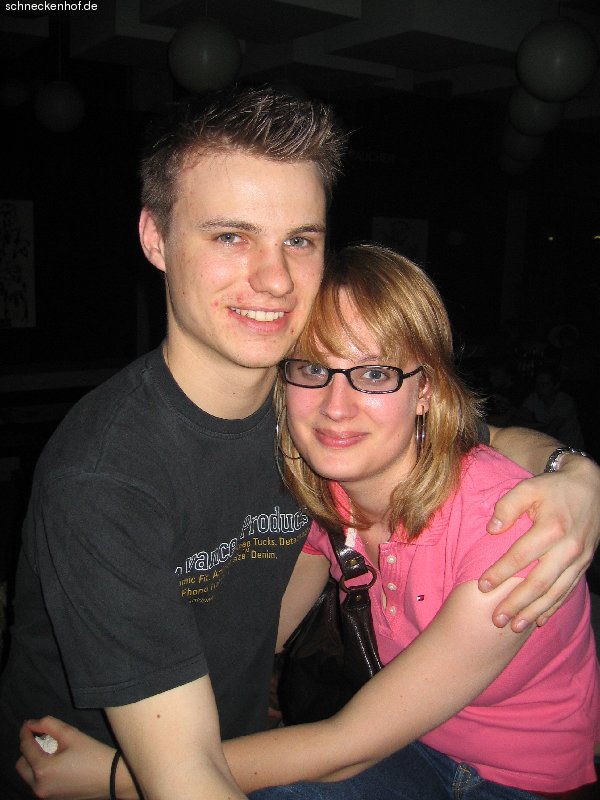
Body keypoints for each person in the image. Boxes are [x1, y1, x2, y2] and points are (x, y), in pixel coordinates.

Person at [4, 89, 600, 800]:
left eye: (299, 240)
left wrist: (573, 471)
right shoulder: (107, 477)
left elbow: (471, 436)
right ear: (154, 238)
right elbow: (182, 777)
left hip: (246, 750)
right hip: (86, 767)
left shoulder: (314, 413)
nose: (275, 278)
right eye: (231, 236)